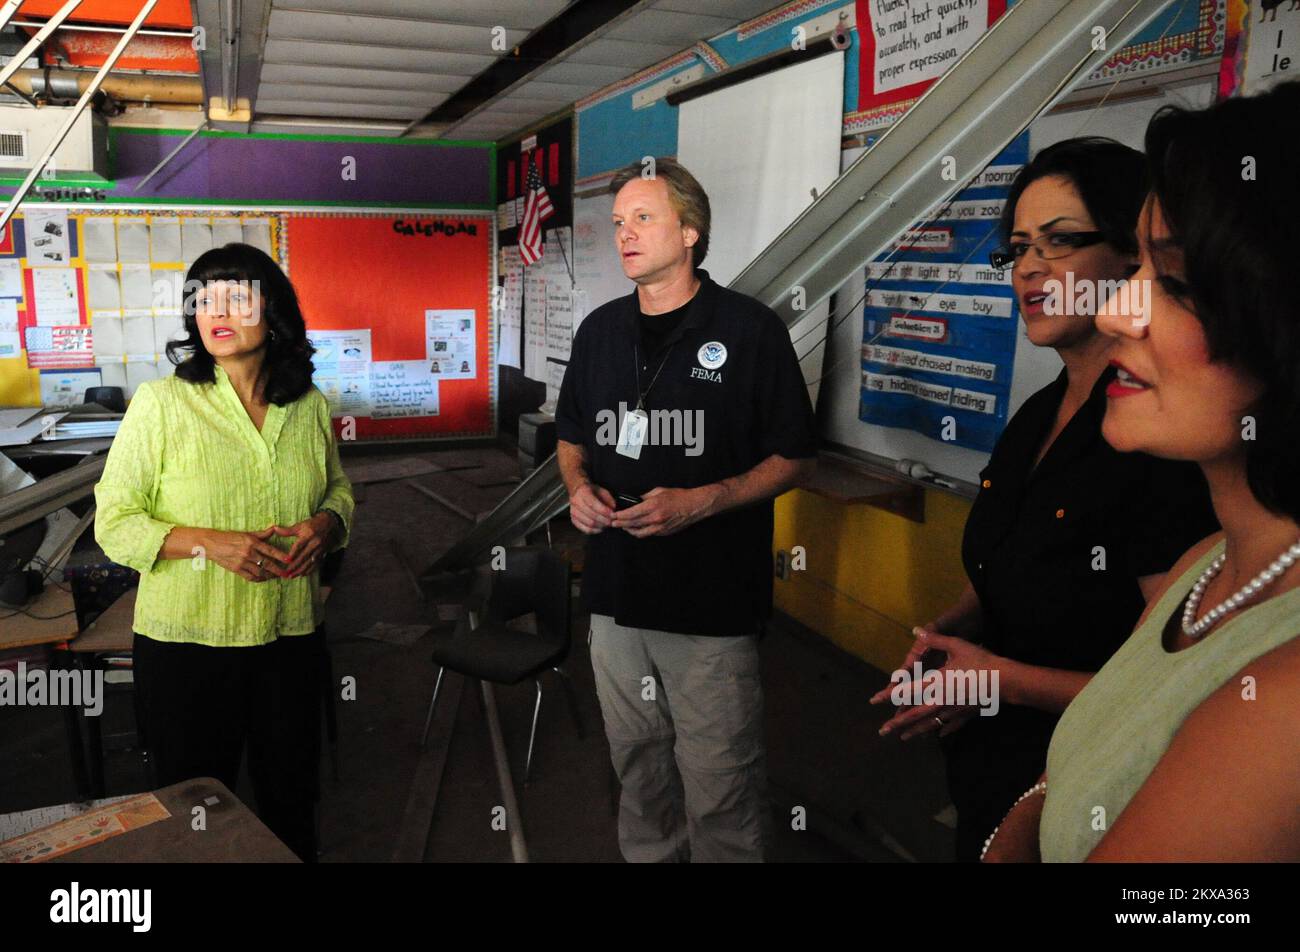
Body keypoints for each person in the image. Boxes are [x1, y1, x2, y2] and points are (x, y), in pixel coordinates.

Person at [869, 138, 1218, 861]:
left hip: (1087, 800)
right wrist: (948, 630)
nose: (1028, 267)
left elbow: (1160, 691)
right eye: (1020, 247)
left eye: (1059, 242)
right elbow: (1011, 557)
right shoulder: (1040, 410)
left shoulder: (1162, 445)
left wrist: (1000, 681)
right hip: (990, 774)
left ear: (1137, 259)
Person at [984, 80, 1300, 862]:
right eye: (1019, 247)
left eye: (1177, 282)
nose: (1118, 310)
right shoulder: (1208, 566)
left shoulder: (1285, 696)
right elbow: (1089, 758)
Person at [555, 157, 817, 862]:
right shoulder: (600, 332)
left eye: (643, 218)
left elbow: (796, 455)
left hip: (709, 606)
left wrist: (703, 502)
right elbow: (571, 436)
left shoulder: (750, 331)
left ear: (691, 231)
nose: (625, 235)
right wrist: (578, 488)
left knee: (720, 782)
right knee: (638, 768)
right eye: (617, 223)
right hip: (613, 600)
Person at [94, 243, 354, 862]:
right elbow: (116, 521)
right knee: (191, 814)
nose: (217, 310)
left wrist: (327, 523)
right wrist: (209, 543)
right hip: (188, 649)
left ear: (276, 315)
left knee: (291, 799)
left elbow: (339, 489)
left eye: (237, 296)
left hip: (289, 639)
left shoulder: (310, 406)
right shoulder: (162, 404)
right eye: (203, 297)